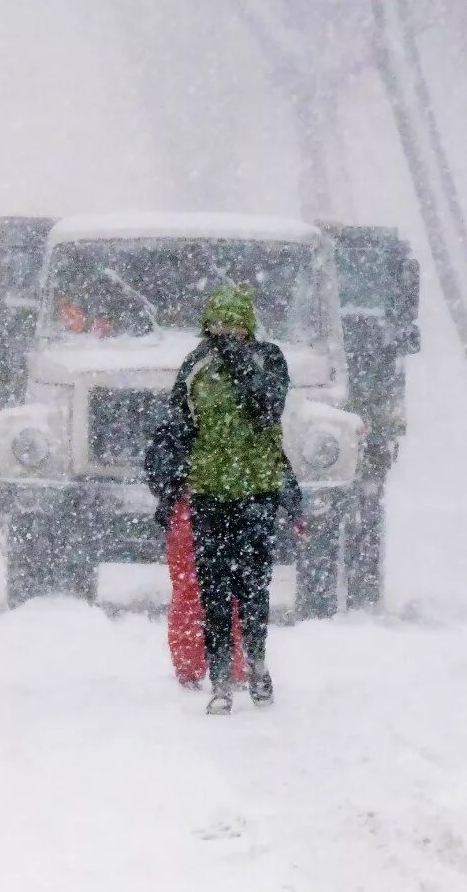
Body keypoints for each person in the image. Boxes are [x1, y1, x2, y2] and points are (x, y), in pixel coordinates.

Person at [144, 282, 299, 716]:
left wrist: (237, 363)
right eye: (219, 324)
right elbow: (178, 425)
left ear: (248, 325)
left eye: (235, 323)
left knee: (252, 586)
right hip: (210, 492)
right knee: (212, 590)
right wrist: (166, 473)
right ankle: (220, 680)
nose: (227, 331)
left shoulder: (269, 359)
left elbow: (268, 407)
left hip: (258, 492)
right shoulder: (195, 365)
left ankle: (257, 664)